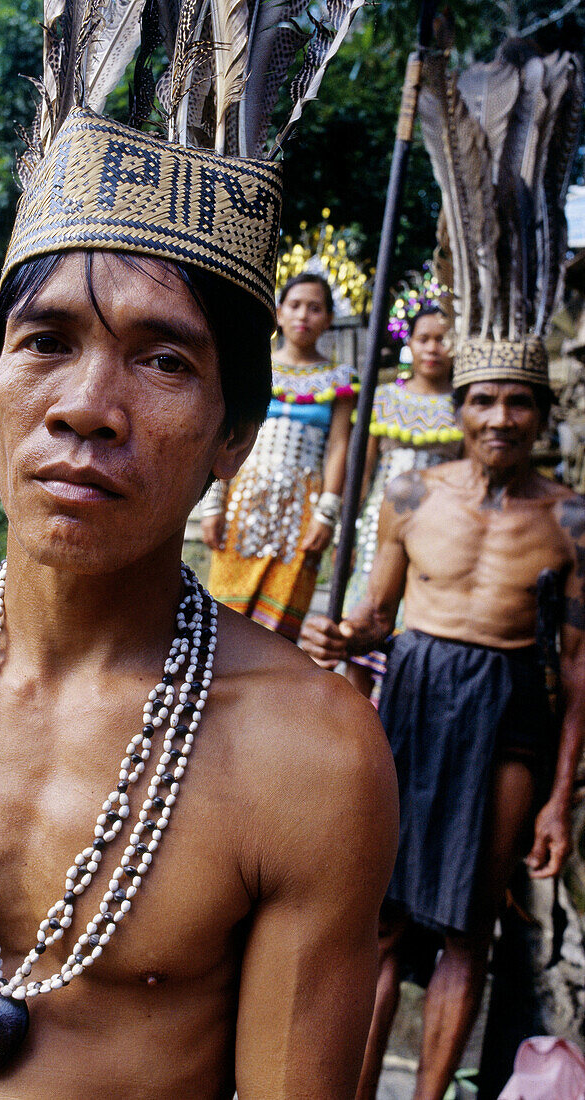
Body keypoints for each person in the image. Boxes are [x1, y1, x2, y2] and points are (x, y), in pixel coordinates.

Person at [0, 0, 397, 1095]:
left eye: (164, 362)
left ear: (235, 434)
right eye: (46, 341)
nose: (87, 405)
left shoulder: (311, 756)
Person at [301, 39, 585, 1100]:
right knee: (379, 914)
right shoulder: (414, 491)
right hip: (414, 681)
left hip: (506, 702)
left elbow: (577, 662)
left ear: (539, 414)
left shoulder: (571, 517)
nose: (499, 417)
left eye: (518, 402)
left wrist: (560, 795)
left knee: (466, 924)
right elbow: (373, 612)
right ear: (459, 409)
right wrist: (342, 634)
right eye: (482, 401)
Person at [201, 271, 356, 641]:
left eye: (315, 308)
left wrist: (327, 514)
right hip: (243, 502)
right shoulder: (251, 367)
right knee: (221, 613)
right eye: (295, 305)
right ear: (279, 313)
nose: (304, 315)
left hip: (303, 510)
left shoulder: (340, 379)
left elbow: (339, 448)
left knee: (280, 622)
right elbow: (227, 435)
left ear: (329, 320)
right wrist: (213, 504)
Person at [342, 304, 462, 696]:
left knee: (413, 622)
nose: (433, 348)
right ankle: (356, 718)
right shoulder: (382, 399)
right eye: (423, 338)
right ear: (409, 343)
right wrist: (350, 523)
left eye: (442, 339)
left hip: (438, 530)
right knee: (363, 616)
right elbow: (363, 469)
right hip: (379, 524)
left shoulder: (466, 407)